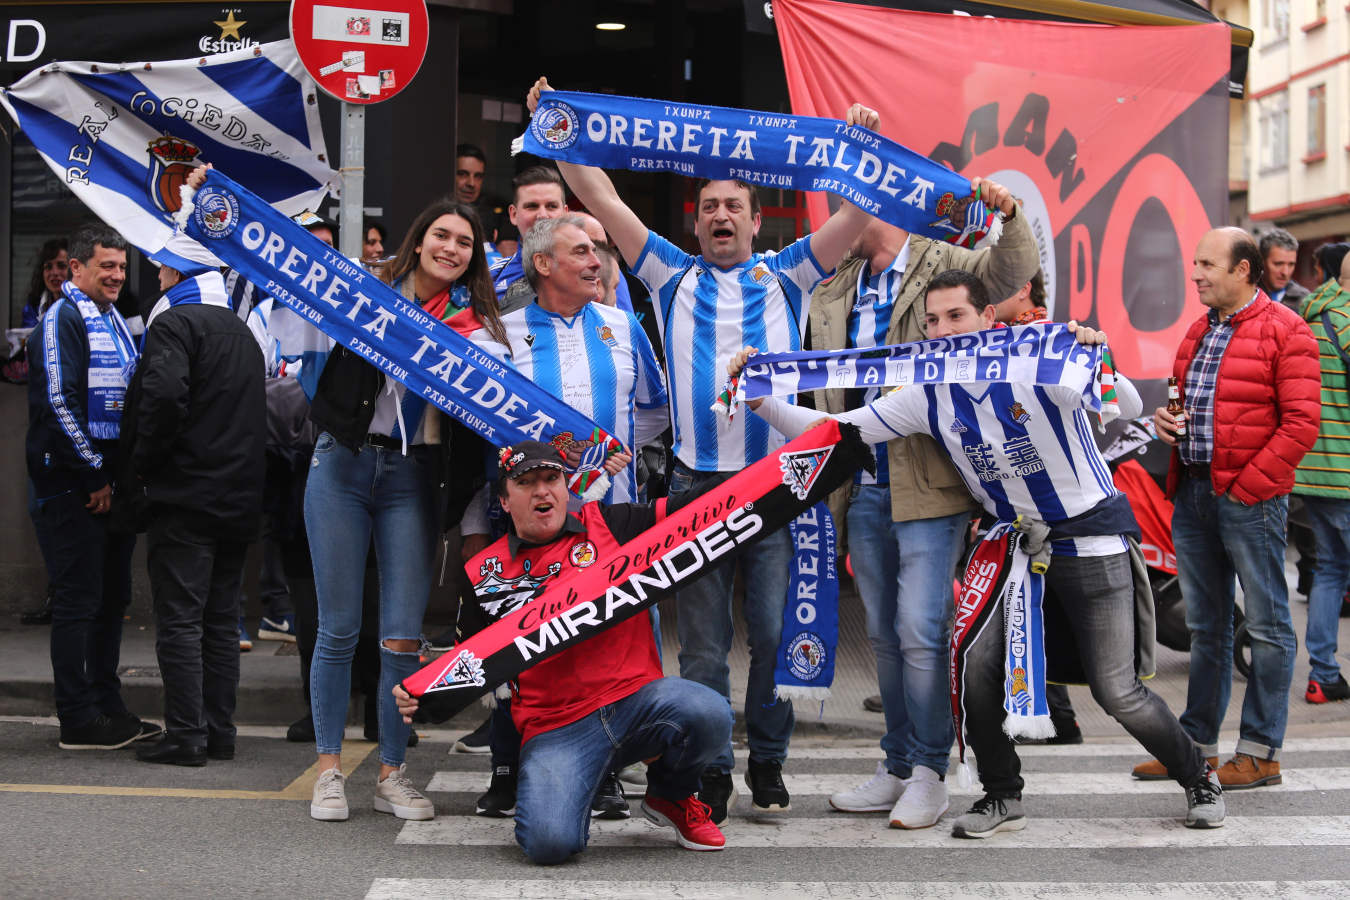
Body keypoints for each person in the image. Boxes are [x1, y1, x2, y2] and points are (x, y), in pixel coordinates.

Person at [733, 268, 1227, 834]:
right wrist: (761, 397)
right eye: (933, 321)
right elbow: (839, 429)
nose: (944, 331)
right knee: (971, 669)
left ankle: (1198, 777)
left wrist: (1098, 355)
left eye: (956, 317)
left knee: (1117, 690)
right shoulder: (925, 392)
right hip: (1010, 545)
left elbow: (1130, 404)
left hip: (1089, 539)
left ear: (989, 318)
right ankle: (1001, 795)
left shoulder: (1040, 358)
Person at [535, 76, 898, 820]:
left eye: (734, 205)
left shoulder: (790, 271)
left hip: (777, 484)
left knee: (770, 636)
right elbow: (600, 198)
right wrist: (557, 124)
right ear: (695, 226)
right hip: (698, 488)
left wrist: (862, 140)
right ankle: (708, 769)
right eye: (709, 208)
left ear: (757, 221)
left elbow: (861, 208)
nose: (721, 216)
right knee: (702, 651)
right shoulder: (670, 272)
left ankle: (767, 761)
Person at [395, 440, 731, 863]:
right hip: (558, 729)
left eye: (552, 479)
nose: (542, 491)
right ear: (503, 499)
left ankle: (671, 794)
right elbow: (466, 663)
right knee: (550, 845)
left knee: (710, 711)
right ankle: (574, 787)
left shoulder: (611, 525)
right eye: (526, 482)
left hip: (638, 705)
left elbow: (696, 506)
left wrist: (769, 473)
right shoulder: (483, 573)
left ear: (566, 487)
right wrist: (419, 691)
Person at [809, 211, 1037, 828]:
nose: (831, 218)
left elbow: (1011, 274)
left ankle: (932, 773)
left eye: (841, 203)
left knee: (921, 630)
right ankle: (898, 764)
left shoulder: (938, 261)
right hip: (861, 480)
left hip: (929, 483)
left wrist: (1010, 218)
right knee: (883, 634)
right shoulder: (834, 286)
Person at [458, 214, 668, 818]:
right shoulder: (500, 335)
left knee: (611, 648)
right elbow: (479, 424)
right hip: (531, 525)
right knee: (524, 644)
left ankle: (604, 772)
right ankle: (512, 766)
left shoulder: (622, 326)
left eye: (598, 250)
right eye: (582, 251)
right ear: (544, 264)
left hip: (610, 523)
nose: (598, 261)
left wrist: (612, 449)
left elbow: (653, 410)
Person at [1137, 227, 1320, 789]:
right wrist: (1165, 425)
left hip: (1249, 499)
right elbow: (1181, 400)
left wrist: (1247, 488)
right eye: (1195, 263)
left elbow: (1301, 424)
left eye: (1207, 264)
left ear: (1244, 269)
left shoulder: (1288, 330)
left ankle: (1261, 753)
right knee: (1206, 627)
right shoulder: (1198, 330)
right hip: (1193, 493)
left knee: (1266, 626)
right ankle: (1196, 748)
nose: (1195, 273)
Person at [127, 253, 266, 766]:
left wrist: (145, 464)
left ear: (174, 274)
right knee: (220, 620)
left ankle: (186, 736)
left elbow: (162, 400)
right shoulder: (241, 329)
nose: (156, 276)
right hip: (237, 498)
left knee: (181, 620)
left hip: (184, 496)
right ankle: (219, 733)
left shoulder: (172, 323)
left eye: (160, 268)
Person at [26, 224, 160, 750]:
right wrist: (96, 477)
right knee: (80, 602)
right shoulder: (62, 315)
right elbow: (59, 402)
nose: (116, 276)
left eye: (122, 268)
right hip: (73, 487)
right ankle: (78, 718)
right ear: (75, 269)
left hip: (109, 487)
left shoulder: (111, 318)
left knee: (110, 600)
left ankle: (107, 706)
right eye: (106, 266)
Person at [990, 273, 1083, 746]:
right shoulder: (1003, 341)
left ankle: (1054, 714)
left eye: (998, 285)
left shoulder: (1046, 339)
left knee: (1034, 605)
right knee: (1033, 605)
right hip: (1025, 495)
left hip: (1042, 499)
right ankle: (1052, 713)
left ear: (1023, 287)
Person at [1291, 264, 1350, 703]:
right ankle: (1325, 673)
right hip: (1345, 473)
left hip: (1312, 471)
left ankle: (1324, 675)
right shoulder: (1346, 323)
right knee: (1331, 571)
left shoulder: (1308, 317)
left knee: (1330, 572)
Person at [16, 238, 70, 623]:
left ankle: (74, 597)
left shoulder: (86, 310)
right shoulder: (34, 309)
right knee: (40, 510)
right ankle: (60, 592)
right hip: (41, 430)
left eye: (62, 265)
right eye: (49, 266)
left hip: (74, 431)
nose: (55, 272)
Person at [489, 166, 569, 308]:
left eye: (551, 206)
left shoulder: (593, 270)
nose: (543, 215)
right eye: (532, 206)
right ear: (513, 215)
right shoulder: (492, 276)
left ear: (565, 213)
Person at [456, 143, 517, 258]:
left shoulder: (495, 214)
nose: (471, 183)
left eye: (478, 176)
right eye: (463, 174)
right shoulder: (434, 212)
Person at [1257, 228, 1308, 312]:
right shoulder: (1245, 296)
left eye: (1291, 264)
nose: (1285, 272)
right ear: (1262, 261)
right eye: (1278, 264)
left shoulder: (1306, 301)